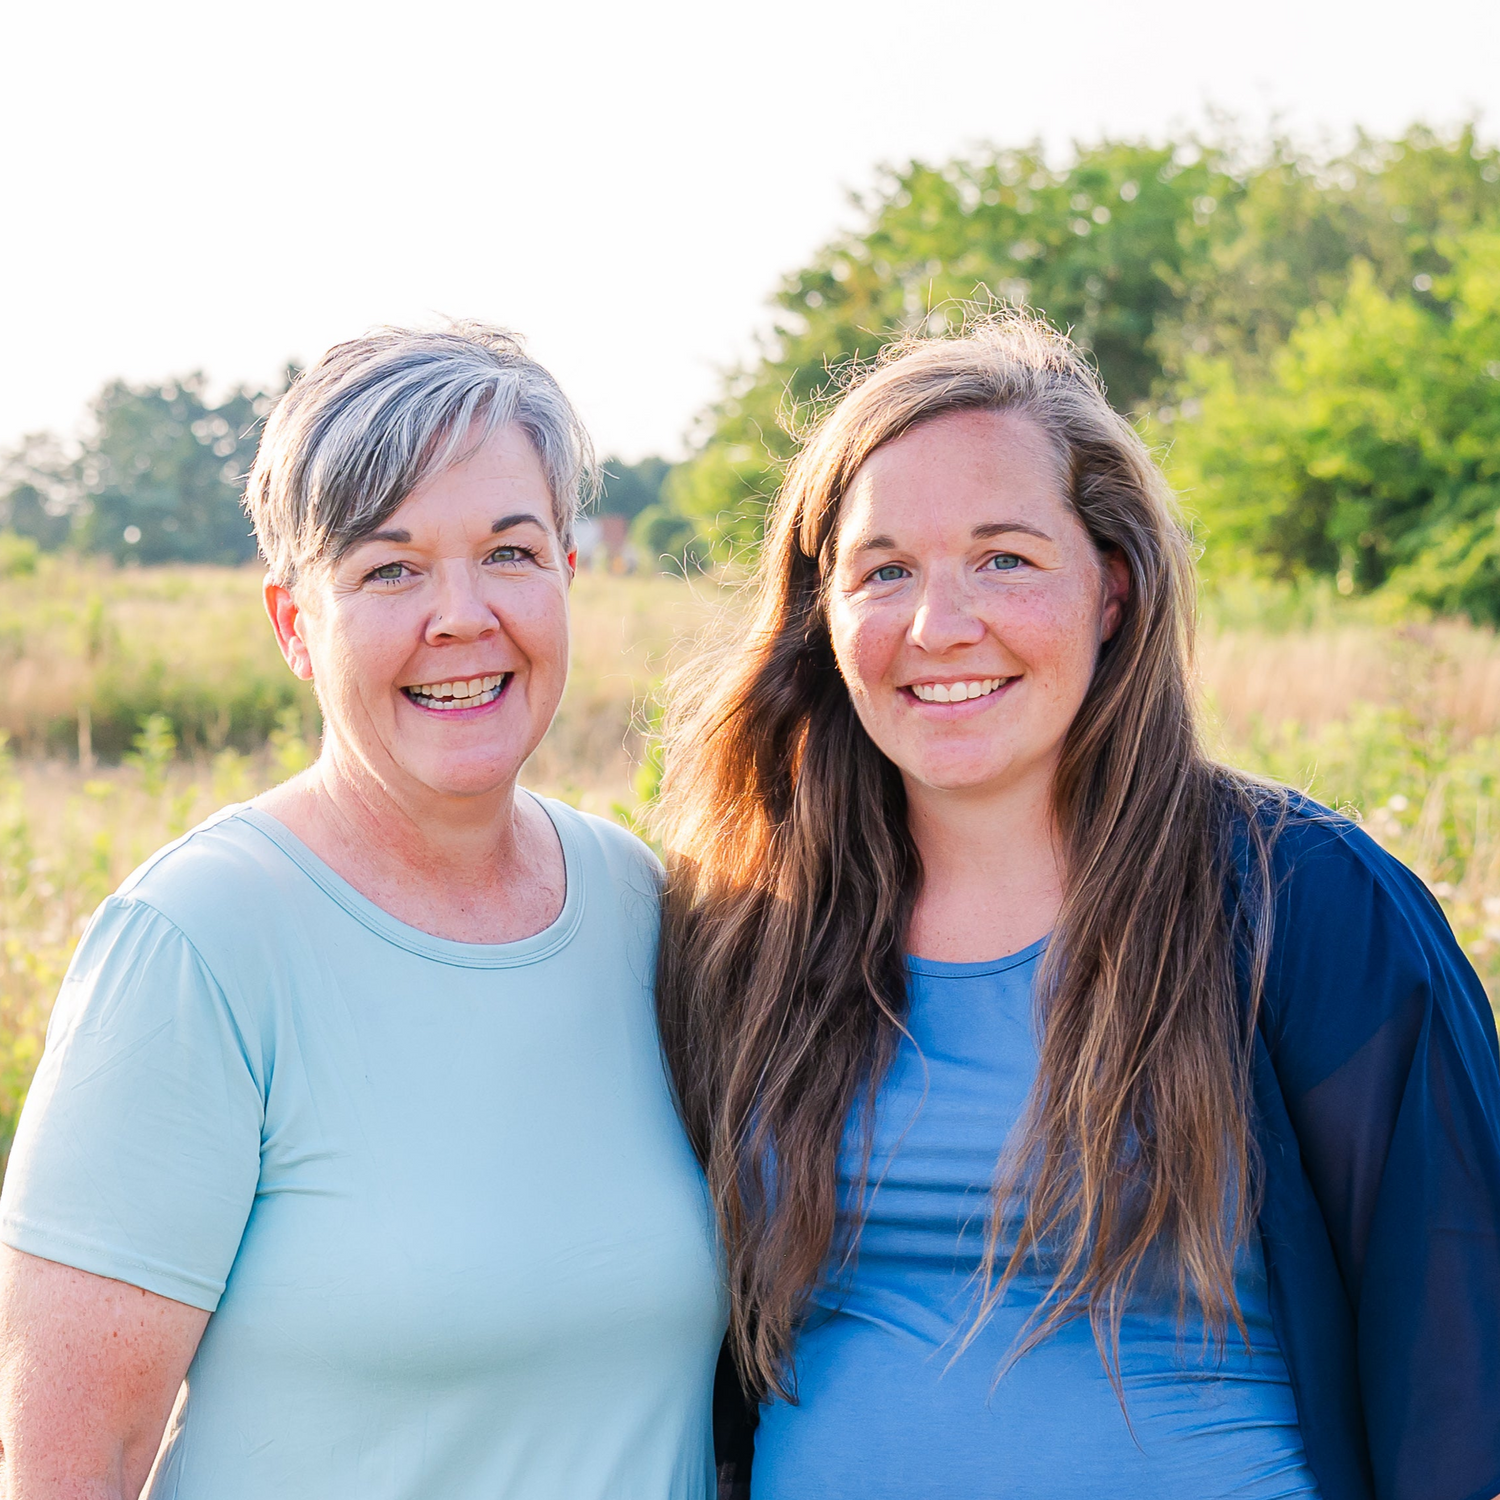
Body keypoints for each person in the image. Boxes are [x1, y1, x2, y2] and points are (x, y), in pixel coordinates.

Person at [653, 313, 1500, 1500]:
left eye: (1004, 558)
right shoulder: (754, 928)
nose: (939, 626)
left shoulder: (1302, 900)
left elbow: (1462, 1340)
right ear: (823, 614)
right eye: (884, 570)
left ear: (1112, 586)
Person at [0, 323, 724, 1500]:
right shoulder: (201, 944)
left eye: (510, 552)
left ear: (568, 575)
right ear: (294, 623)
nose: (461, 615)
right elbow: (76, 1469)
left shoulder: (642, 905)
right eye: (390, 569)